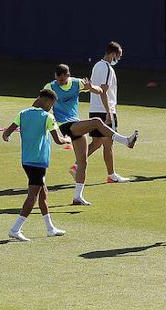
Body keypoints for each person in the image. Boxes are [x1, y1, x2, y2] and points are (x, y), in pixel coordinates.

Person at [46, 64, 138, 205]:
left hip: (75, 124)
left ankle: (77, 196)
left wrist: (90, 88)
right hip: (65, 126)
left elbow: (100, 90)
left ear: (68, 75)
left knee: (82, 162)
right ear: (55, 76)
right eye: (59, 80)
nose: (61, 82)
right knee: (96, 121)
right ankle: (126, 141)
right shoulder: (50, 87)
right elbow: (39, 105)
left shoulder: (77, 83)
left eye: (64, 80)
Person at [1, 89, 69, 241]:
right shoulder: (48, 117)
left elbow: (7, 132)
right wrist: (67, 140)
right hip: (38, 162)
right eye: (51, 104)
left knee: (43, 193)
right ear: (45, 101)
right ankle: (15, 229)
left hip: (26, 160)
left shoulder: (23, 113)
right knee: (33, 196)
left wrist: (6, 136)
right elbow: (58, 140)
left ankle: (50, 228)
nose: (51, 107)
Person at [71, 41, 130, 185]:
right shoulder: (107, 68)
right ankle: (112, 175)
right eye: (119, 56)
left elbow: (93, 87)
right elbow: (103, 91)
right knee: (108, 144)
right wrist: (109, 112)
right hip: (105, 110)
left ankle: (76, 166)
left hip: (94, 109)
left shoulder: (97, 65)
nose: (119, 59)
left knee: (97, 142)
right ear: (113, 54)